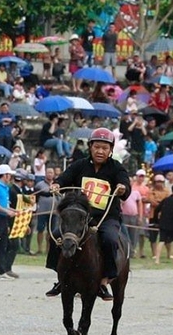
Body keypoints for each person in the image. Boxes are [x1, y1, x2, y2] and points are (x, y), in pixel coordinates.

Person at [45, 127, 130, 301]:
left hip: (106, 218)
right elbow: (64, 178)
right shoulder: (79, 165)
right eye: (97, 147)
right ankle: (60, 278)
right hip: (80, 217)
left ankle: (105, 280)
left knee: (110, 239)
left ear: (111, 150)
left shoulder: (116, 168)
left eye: (104, 148)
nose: (100, 151)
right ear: (90, 147)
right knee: (55, 235)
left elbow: (125, 185)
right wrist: (56, 184)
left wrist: (122, 188)